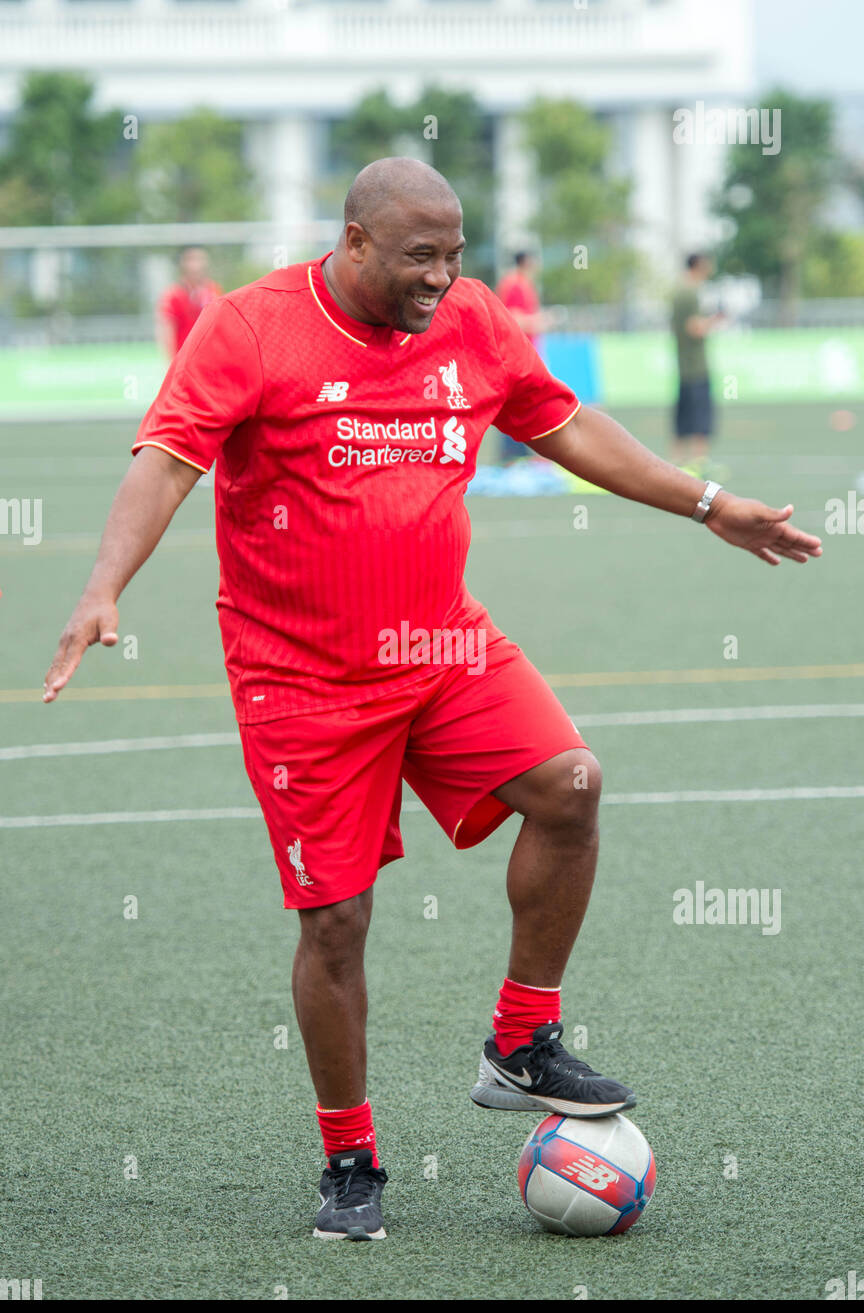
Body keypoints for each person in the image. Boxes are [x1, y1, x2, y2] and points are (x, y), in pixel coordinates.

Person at [43, 158, 821, 1243]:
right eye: (422, 255)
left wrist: (707, 502)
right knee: (339, 919)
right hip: (300, 678)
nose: (445, 276)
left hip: (443, 645)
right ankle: (351, 1156)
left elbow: (566, 425)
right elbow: (170, 458)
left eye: (456, 254)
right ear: (354, 242)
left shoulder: (473, 322)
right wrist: (102, 585)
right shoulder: (252, 327)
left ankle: (521, 1040)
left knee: (571, 785)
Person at [494, 251, 559, 465]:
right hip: (518, 354)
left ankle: (520, 454)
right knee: (523, 401)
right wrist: (541, 321)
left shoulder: (520, 284)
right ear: (526, 262)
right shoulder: (515, 285)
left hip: (526, 352)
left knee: (524, 401)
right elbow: (513, 319)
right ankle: (515, 456)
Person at [671, 252, 725, 476]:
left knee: (683, 413)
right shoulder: (690, 293)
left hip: (684, 363)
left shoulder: (678, 291)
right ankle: (699, 462)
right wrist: (717, 319)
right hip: (696, 365)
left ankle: (676, 461)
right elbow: (694, 328)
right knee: (700, 414)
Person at [156, 246, 222, 361]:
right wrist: (171, 362)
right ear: (182, 263)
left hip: (208, 360)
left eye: (200, 259)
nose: (196, 265)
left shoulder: (213, 290)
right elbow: (166, 330)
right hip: (183, 360)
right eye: (191, 259)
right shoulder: (174, 295)